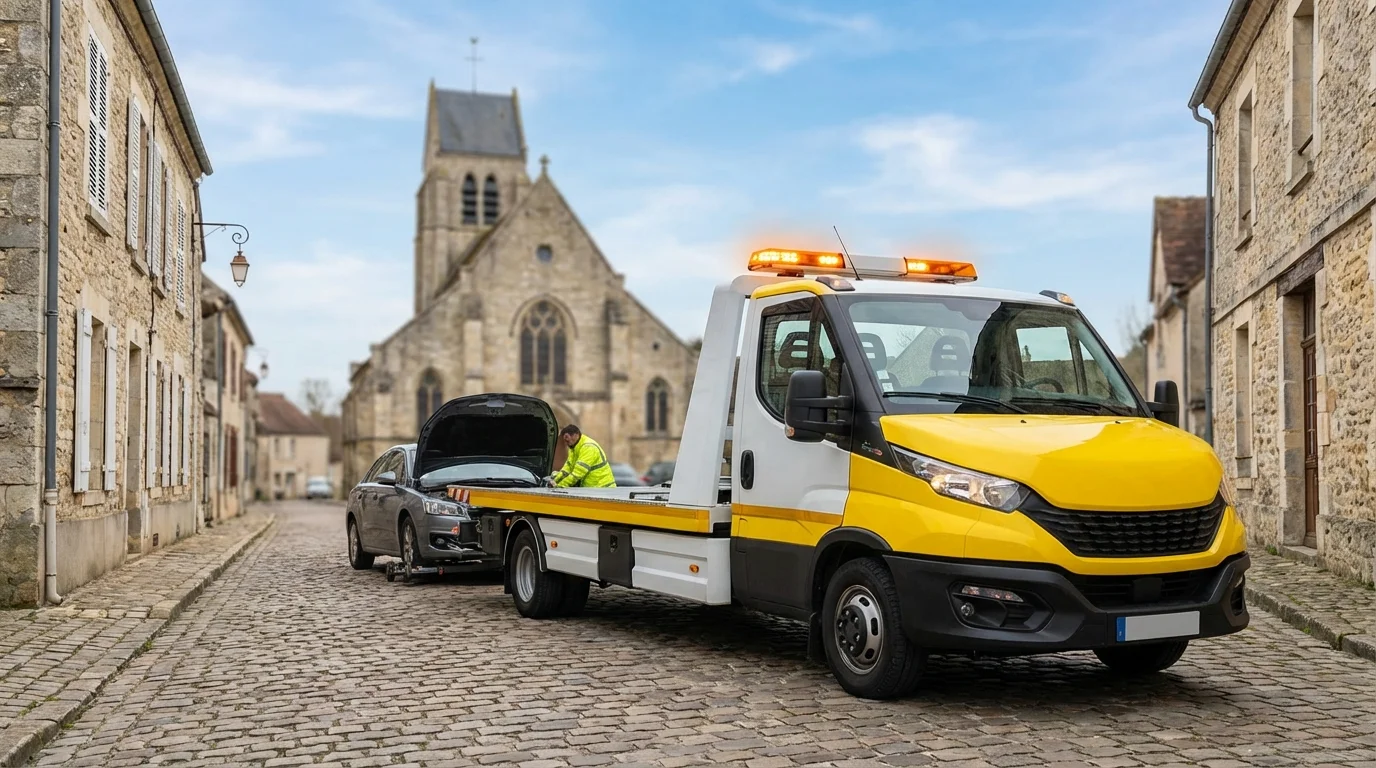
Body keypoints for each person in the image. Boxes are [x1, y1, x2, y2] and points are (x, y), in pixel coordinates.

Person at [550, 424, 616, 488]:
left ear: (576, 435)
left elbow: (578, 473)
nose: (565, 441)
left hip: (604, 488)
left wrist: (559, 486)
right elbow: (567, 469)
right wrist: (555, 480)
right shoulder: (574, 448)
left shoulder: (588, 447)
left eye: (567, 437)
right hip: (593, 489)